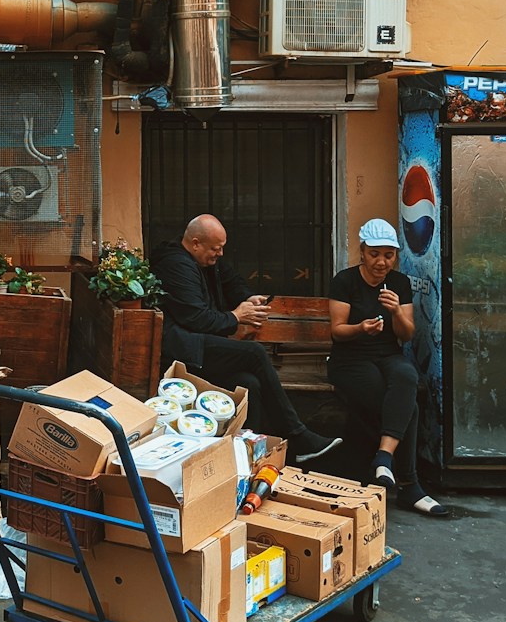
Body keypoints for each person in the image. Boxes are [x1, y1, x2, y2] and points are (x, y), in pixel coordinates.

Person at [150, 214, 341, 465]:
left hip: (201, 345)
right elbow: (195, 318)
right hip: (184, 351)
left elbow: (232, 282)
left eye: (222, 248)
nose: (220, 254)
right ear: (195, 243)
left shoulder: (206, 260)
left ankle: (248, 456)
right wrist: (236, 316)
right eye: (215, 248)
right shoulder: (176, 265)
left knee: (248, 382)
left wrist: (248, 299)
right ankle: (299, 434)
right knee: (254, 353)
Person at [328, 218, 448, 518]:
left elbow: (406, 334)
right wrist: (360, 328)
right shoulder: (344, 281)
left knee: (406, 375)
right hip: (349, 359)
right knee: (407, 406)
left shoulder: (399, 283)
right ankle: (410, 486)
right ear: (362, 252)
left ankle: (384, 458)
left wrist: (395, 311)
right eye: (375, 254)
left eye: (389, 255)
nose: (382, 262)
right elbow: (337, 331)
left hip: (387, 355)